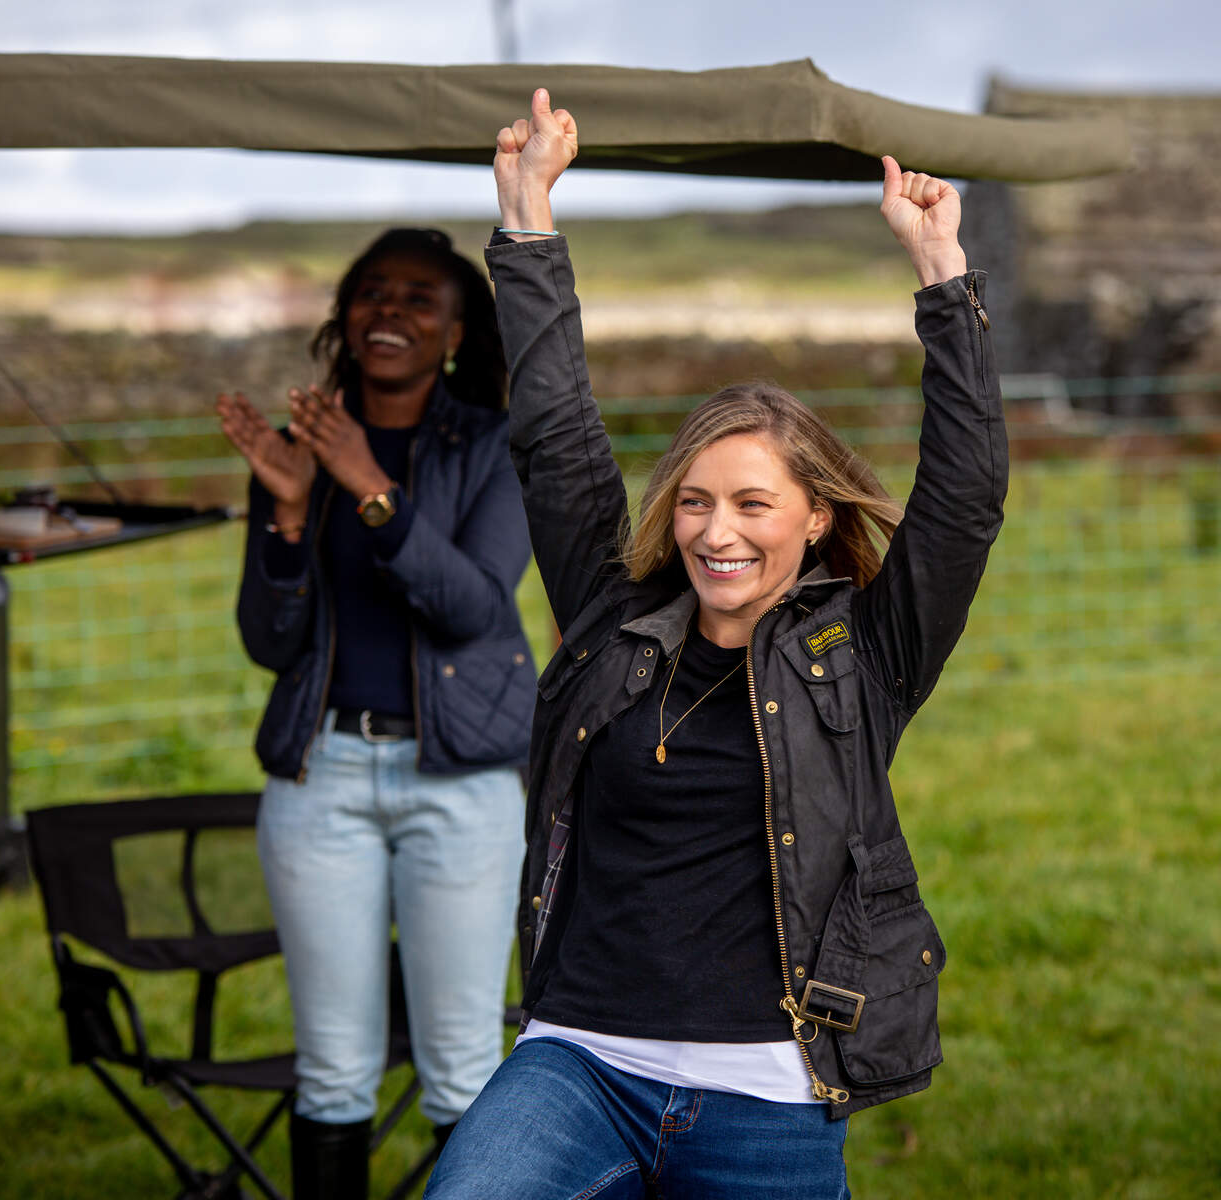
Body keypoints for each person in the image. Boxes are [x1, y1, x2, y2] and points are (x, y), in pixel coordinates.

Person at [423, 89, 1008, 1198]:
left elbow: (964, 500)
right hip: (581, 1061)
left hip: (768, 1091)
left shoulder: (865, 655)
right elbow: (555, 440)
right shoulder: (613, 622)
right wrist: (527, 221)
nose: (715, 531)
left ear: (815, 517)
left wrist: (943, 273)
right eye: (693, 501)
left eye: (751, 504)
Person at [217, 227, 532, 1200]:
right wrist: (286, 508)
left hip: (462, 785)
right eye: (372, 293)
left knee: (463, 1068)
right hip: (323, 782)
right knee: (332, 1070)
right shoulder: (302, 449)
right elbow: (269, 642)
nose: (389, 311)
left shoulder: (494, 447)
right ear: (346, 316)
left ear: (455, 333)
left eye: (418, 299)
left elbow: (474, 608)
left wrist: (370, 488)